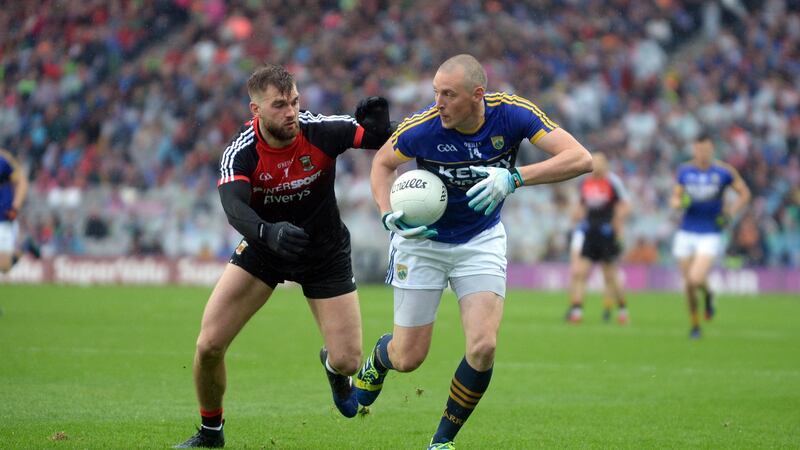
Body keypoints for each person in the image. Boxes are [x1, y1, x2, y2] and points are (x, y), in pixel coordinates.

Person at [356, 54, 593, 449]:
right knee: (408, 358)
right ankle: (381, 357)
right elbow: (382, 164)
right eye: (435, 93)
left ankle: (442, 440)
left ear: (477, 95)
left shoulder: (513, 114)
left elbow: (580, 158)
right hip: (423, 242)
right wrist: (386, 214)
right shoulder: (424, 126)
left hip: (480, 240)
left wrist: (515, 177)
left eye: (448, 94)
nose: (438, 103)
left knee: (483, 346)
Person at [175, 64, 394, 448]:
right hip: (265, 251)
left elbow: (381, 140)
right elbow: (234, 208)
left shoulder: (319, 130)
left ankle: (331, 366)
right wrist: (267, 231)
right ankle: (211, 432)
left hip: (324, 253)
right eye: (279, 105)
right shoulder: (241, 153)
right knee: (208, 346)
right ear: (255, 111)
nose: (291, 111)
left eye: (294, 101)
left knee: (348, 362)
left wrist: (382, 128)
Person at [669, 133, 750, 339]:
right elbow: (675, 199)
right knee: (689, 283)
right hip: (686, 230)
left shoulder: (724, 172)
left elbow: (744, 193)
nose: (702, 153)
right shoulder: (685, 171)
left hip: (711, 232)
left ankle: (707, 295)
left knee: (694, 279)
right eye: (699, 149)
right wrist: (679, 204)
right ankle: (696, 323)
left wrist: (730, 213)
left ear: (711, 149)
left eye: (706, 149)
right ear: (694, 149)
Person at [565, 153, 631, 325]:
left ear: (605, 165)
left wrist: (617, 223)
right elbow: (581, 205)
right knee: (580, 272)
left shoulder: (612, 182)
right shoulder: (585, 183)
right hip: (590, 233)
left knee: (610, 275)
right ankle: (577, 310)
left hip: (606, 234)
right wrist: (577, 216)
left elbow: (625, 205)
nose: (595, 165)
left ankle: (622, 308)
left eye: (599, 162)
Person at [0, 148, 39, 273]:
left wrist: (15, 207)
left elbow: (22, 181)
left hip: (3, 216)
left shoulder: (3, 159)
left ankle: (24, 247)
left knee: (4, 267)